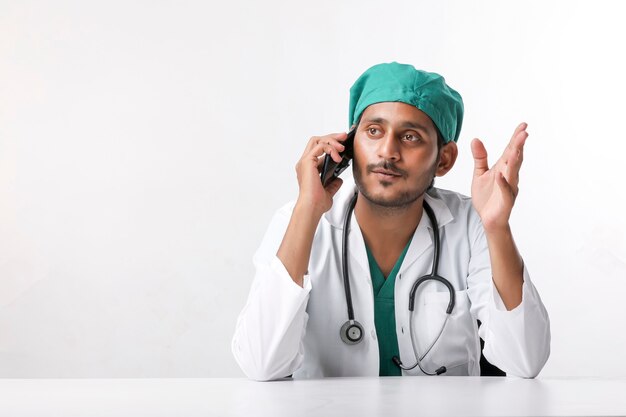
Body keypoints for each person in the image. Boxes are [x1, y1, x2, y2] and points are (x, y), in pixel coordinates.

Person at [232, 62, 550, 381]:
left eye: (410, 136)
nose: (387, 151)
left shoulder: (471, 223)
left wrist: (497, 228)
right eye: (373, 131)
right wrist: (307, 209)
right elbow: (262, 364)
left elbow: (525, 360)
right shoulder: (299, 219)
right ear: (348, 145)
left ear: (444, 159)